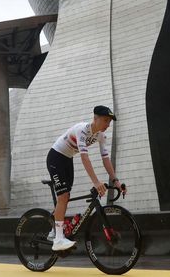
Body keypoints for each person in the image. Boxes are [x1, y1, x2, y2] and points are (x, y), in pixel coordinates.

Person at [46, 105, 126, 251]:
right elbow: (84, 158)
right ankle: (58, 239)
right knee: (63, 196)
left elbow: (106, 159)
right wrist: (95, 182)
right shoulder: (81, 130)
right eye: (105, 120)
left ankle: (54, 228)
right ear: (95, 118)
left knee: (65, 197)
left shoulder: (101, 136)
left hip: (67, 159)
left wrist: (116, 180)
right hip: (55, 157)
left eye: (109, 121)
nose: (108, 124)